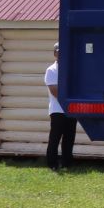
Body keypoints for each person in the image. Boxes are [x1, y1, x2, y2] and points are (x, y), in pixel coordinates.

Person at [44, 42, 76, 172]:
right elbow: (54, 91)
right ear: (54, 54)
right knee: (55, 137)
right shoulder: (51, 70)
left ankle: (67, 163)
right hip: (57, 110)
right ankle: (52, 163)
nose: (60, 54)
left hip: (71, 109)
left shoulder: (71, 69)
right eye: (58, 52)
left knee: (69, 138)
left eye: (62, 52)